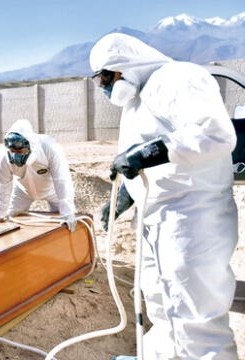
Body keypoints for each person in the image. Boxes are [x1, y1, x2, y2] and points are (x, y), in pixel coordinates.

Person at [92, 33, 238, 359]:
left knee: (195, 316)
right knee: (160, 307)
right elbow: (150, 161)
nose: (102, 87)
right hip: (156, 216)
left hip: (192, 214)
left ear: (123, 66)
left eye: (104, 77)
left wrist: (148, 153)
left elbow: (215, 134)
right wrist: (126, 197)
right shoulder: (136, 103)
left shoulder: (177, 77)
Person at [0, 119, 76, 231]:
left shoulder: (49, 147)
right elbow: (3, 186)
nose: (16, 156)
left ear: (30, 145)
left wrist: (67, 210)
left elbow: (61, 179)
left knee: (64, 225)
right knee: (9, 221)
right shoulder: (4, 157)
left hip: (53, 191)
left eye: (20, 151)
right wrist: (0, 214)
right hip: (22, 192)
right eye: (13, 151)